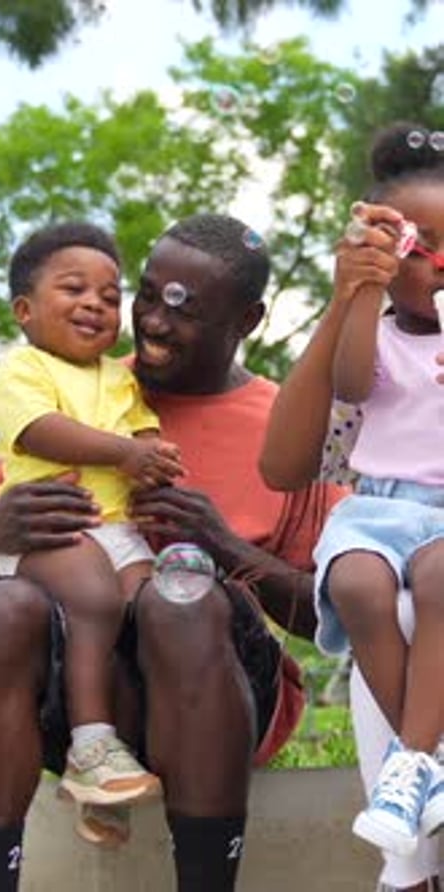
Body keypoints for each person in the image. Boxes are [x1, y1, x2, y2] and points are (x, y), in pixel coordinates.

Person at [0, 212, 345, 892]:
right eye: (149, 295)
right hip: (81, 696)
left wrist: (223, 549)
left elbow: (332, 620)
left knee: (176, 594)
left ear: (246, 322)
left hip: (219, 688)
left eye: (185, 309)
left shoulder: (290, 429)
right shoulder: (72, 388)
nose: (153, 322)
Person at [260, 121, 444, 892]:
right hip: (383, 526)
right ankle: (416, 778)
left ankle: (413, 768)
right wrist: (352, 295)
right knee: (377, 596)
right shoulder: (372, 350)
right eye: (418, 244)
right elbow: (289, 461)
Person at [0, 221, 184, 809]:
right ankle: (90, 747)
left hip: (118, 531)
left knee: (158, 610)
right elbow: (40, 431)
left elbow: (143, 428)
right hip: (54, 529)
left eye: (109, 295)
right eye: (74, 290)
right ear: (25, 309)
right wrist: (126, 453)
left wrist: (155, 453)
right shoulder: (24, 370)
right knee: (95, 603)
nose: (95, 303)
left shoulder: (118, 379)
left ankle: (114, 786)